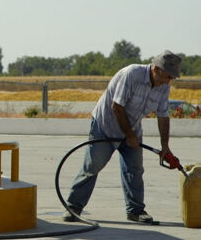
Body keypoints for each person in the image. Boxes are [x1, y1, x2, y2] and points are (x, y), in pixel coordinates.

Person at [64, 50, 182, 224]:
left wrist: (165, 146)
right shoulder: (132, 74)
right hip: (105, 126)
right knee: (93, 166)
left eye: (172, 78)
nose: (170, 81)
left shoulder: (163, 86)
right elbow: (117, 106)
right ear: (156, 70)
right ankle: (73, 207)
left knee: (134, 169)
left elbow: (163, 116)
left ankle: (136, 211)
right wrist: (129, 136)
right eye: (168, 76)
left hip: (132, 128)